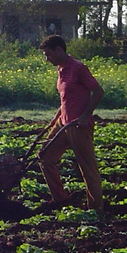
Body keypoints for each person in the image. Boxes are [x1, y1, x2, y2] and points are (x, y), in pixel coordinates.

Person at [37, 34, 105, 212]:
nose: (47, 59)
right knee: (45, 158)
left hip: (79, 127)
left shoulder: (78, 68)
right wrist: (56, 116)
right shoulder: (61, 69)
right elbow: (67, 98)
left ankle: (95, 209)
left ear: (59, 49)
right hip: (63, 125)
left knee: (87, 169)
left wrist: (85, 116)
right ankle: (60, 200)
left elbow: (98, 91)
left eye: (48, 54)